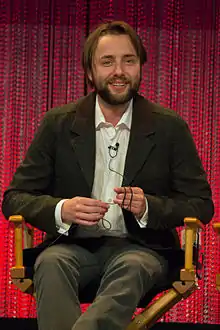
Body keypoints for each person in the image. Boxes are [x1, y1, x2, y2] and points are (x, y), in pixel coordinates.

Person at [2, 21, 214, 330]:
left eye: (128, 60)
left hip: (142, 249)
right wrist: (63, 209)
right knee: (50, 263)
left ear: (140, 66)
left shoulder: (169, 128)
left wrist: (149, 208)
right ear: (90, 72)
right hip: (71, 247)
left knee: (131, 267)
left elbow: (201, 205)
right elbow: (14, 199)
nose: (119, 71)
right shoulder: (58, 124)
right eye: (107, 62)